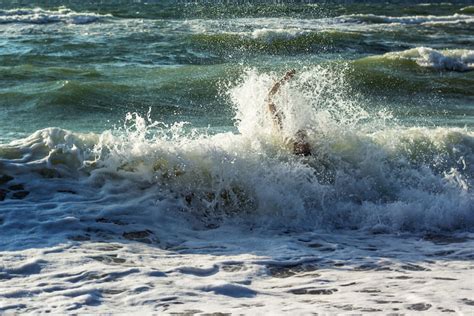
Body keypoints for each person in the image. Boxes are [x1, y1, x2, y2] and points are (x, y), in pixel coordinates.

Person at [266, 70, 311, 156]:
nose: (304, 138)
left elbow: (269, 98)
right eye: (305, 142)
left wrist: (284, 79)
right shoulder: (298, 135)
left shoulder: (283, 133)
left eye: (303, 141)